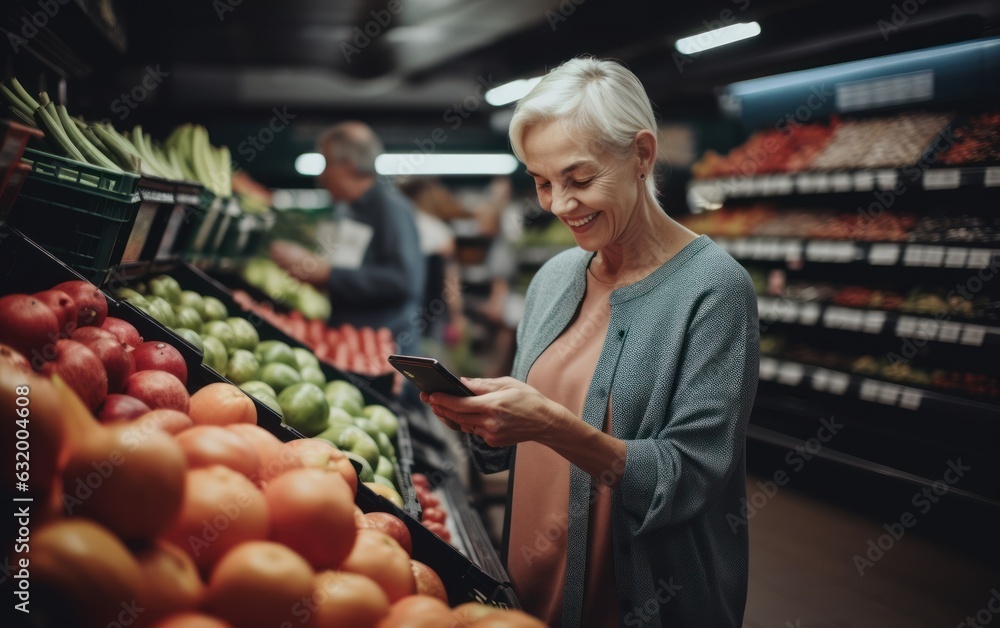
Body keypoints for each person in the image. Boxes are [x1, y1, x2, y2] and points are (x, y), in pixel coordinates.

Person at [421, 57, 759, 627]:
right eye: (541, 182)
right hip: (529, 583)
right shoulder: (555, 277)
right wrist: (481, 419)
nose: (558, 204)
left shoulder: (714, 290)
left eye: (579, 179)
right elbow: (516, 447)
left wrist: (550, 425)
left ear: (642, 155)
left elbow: (690, 479)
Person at [269, 121, 425, 357]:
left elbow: (403, 281)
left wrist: (328, 274)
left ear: (348, 165)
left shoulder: (390, 208)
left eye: (325, 163)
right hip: (350, 343)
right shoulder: (347, 209)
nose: (321, 174)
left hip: (383, 351)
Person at [397, 176, 467, 348]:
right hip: (433, 312)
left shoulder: (397, 227)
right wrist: (457, 316)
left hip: (399, 311)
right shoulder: (440, 232)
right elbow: (450, 280)